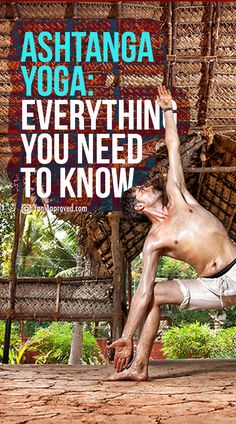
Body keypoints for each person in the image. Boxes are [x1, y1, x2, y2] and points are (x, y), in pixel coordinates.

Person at [107, 86, 236, 381]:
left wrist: (168, 111)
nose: (148, 185)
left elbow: (173, 144)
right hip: (213, 287)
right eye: (141, 189)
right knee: (153, 294)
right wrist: (126, 335)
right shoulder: (154, 241)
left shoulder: (177, 195)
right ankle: (139, 366)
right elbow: (141, 292)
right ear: (139, 205)